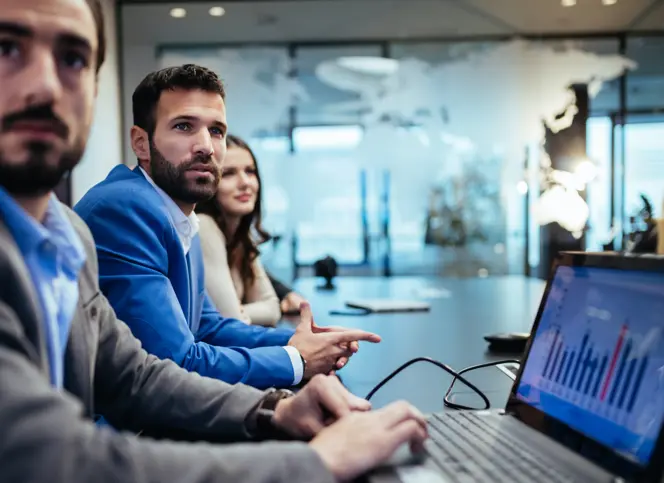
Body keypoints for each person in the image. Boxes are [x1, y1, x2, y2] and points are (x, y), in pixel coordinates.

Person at [0, 0, 429, 481]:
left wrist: (276, 406)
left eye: (73, 58)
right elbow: (53, 457)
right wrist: (315, 449)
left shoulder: (71, 234)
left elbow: (141, 373)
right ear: (140, 143)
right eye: (7, 47)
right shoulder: (126, 208)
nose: (44, 84)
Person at [74, 64, 380, 389]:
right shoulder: (126, 209)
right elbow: (174, 364)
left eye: (216, 130)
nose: (206, 145)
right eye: (183, 126)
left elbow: (208, 327)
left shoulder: (181, 216)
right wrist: (298, 360)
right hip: (109, 429)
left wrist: (302, 340)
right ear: (141, 143)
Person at [196, 134, 284, 327]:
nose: (245, 183)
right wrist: (238, 311)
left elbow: (272, 308)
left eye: (250, 171)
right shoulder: (204, 226)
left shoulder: (241, 237)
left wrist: (240, 310)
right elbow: (231, 320)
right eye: (228, 174)